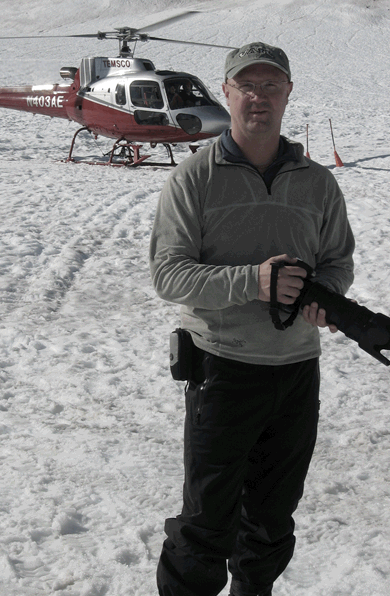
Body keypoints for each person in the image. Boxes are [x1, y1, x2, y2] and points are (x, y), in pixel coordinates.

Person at [149, 42, 355, 596]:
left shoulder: (317, 183)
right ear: (227, 93)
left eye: (270, 85)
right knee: (206, 523)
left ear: (289, 93)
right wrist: (253, 281)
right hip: (223, 370)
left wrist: (324, 294)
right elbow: (168, 275)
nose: (258, 97)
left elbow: (337, 260)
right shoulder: (195, 178)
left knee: (270, 522)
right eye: (247, 86)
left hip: (295, 373)